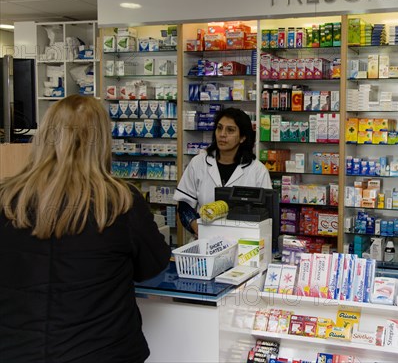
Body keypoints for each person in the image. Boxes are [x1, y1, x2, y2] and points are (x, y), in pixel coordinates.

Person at [0, 95, 171, 363]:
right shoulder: (119, 202)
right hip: (103, 350)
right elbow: (153, 266)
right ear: (102, 141)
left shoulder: (8, 198)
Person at [174, 107, 272, 235]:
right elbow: (184, 205)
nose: (222, 134)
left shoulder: (257, 170)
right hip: (204, 242)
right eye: (219, 128)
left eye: (230, 130)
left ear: (243, 137)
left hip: (244, 245)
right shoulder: (198, 163)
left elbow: (266, 214)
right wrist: (198, 229)